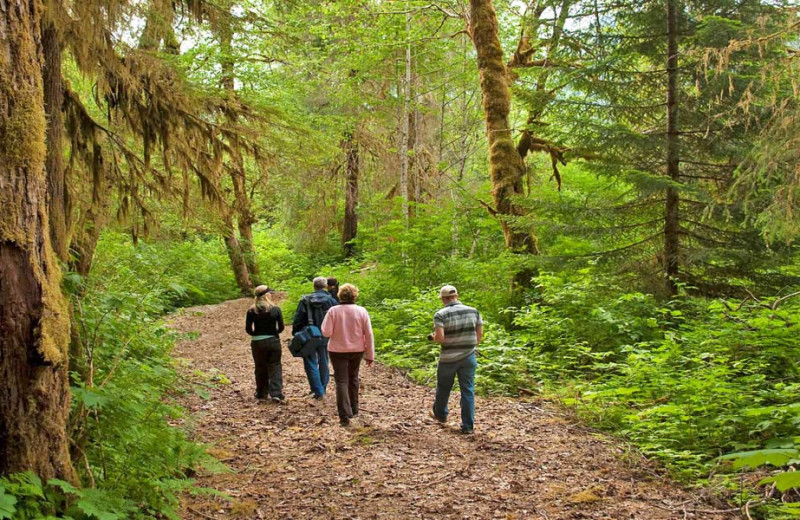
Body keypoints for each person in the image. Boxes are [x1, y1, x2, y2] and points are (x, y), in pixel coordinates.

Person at [429, 284, 482, 434]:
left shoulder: (441, 314)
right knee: (468, 390)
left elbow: (440, 338)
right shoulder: (474, 311)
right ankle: (468, 426)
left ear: (443, 299)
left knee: (444, 388)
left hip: (448, 359)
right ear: (456, 296)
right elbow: (479, 336)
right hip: (469, 357)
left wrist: (433, 338)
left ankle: (440, 415)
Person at [320, 283, 374, 426]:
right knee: (353, 378)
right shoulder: (362, 311)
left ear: (340, 295)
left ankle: (344, 415)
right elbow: (368, 334)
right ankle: (354, 409)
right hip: (357, 350)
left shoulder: (333, 311)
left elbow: (326, 332)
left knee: (341, 381)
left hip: (337, 350)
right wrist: (370, 355)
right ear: (355, 295)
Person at [292, 276, 338, 399]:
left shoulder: (305, 300)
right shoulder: (332, 300)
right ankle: (322, 387)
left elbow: (298, 318)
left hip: (309, 335)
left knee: (310, 361)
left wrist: (295, 332)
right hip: (325, 334)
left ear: (314, 286)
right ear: (325, 285)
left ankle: (317, 390)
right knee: (324, 360)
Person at [245, 286, 285, 403]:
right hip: (273, 341)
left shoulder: (252, 310)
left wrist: (256, 334)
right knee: (275, 366)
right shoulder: (275, 309)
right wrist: (273, 333)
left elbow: (248, 329)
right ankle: (276, 393)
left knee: (260, 367)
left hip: (257, 342)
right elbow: (281, 327)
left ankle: (261, 393)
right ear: (267, 295)